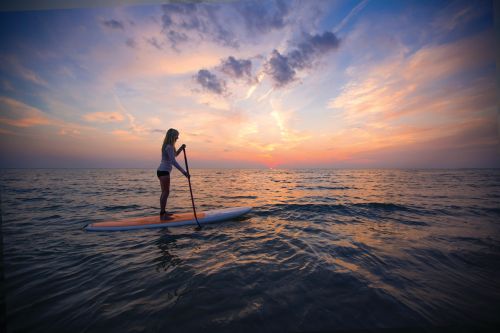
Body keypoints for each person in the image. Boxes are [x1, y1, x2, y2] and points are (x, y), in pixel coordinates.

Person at [157, 128, 190, 219]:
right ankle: (163, 215)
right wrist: (184, 172)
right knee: (165, 192)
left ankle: (163, 213)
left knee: (164, 192)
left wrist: (180, 148)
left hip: (161, 171)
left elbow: (174, 155)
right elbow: (173, 161)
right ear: (173, 136)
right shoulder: (169, 146)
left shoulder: (168, 146)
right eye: (177, 136)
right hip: (164, 172)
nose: (178, 138)